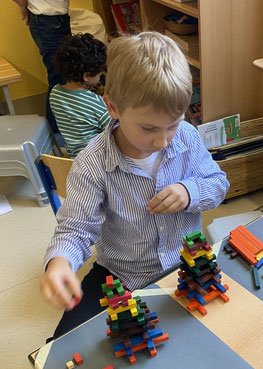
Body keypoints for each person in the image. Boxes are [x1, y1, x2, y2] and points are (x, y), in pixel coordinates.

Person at [40, 31, 230, 340]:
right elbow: (76, 228)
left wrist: (189, 191)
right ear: (112, 107)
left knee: (213, 336)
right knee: (65, 344)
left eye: (172, 124)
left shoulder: (187, 136)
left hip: (185, 264)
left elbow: (219, 184)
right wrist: (60, 261)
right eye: (148, 128)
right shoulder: (92, 164)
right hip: (121, 273)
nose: (162, 140)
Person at [13, 0, 71, 140]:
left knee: (65, 75)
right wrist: (22, 5)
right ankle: (54, 132)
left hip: (59, 18)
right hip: (47, 21)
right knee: (58, 77)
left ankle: (60, 129)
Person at [50, 33, 111, 157]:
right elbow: (117, 131)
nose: (101, 75)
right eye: (99, 72)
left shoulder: (55, 93)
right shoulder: (96, 103)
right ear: (86, 76)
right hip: (99, 160)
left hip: (75, 158)